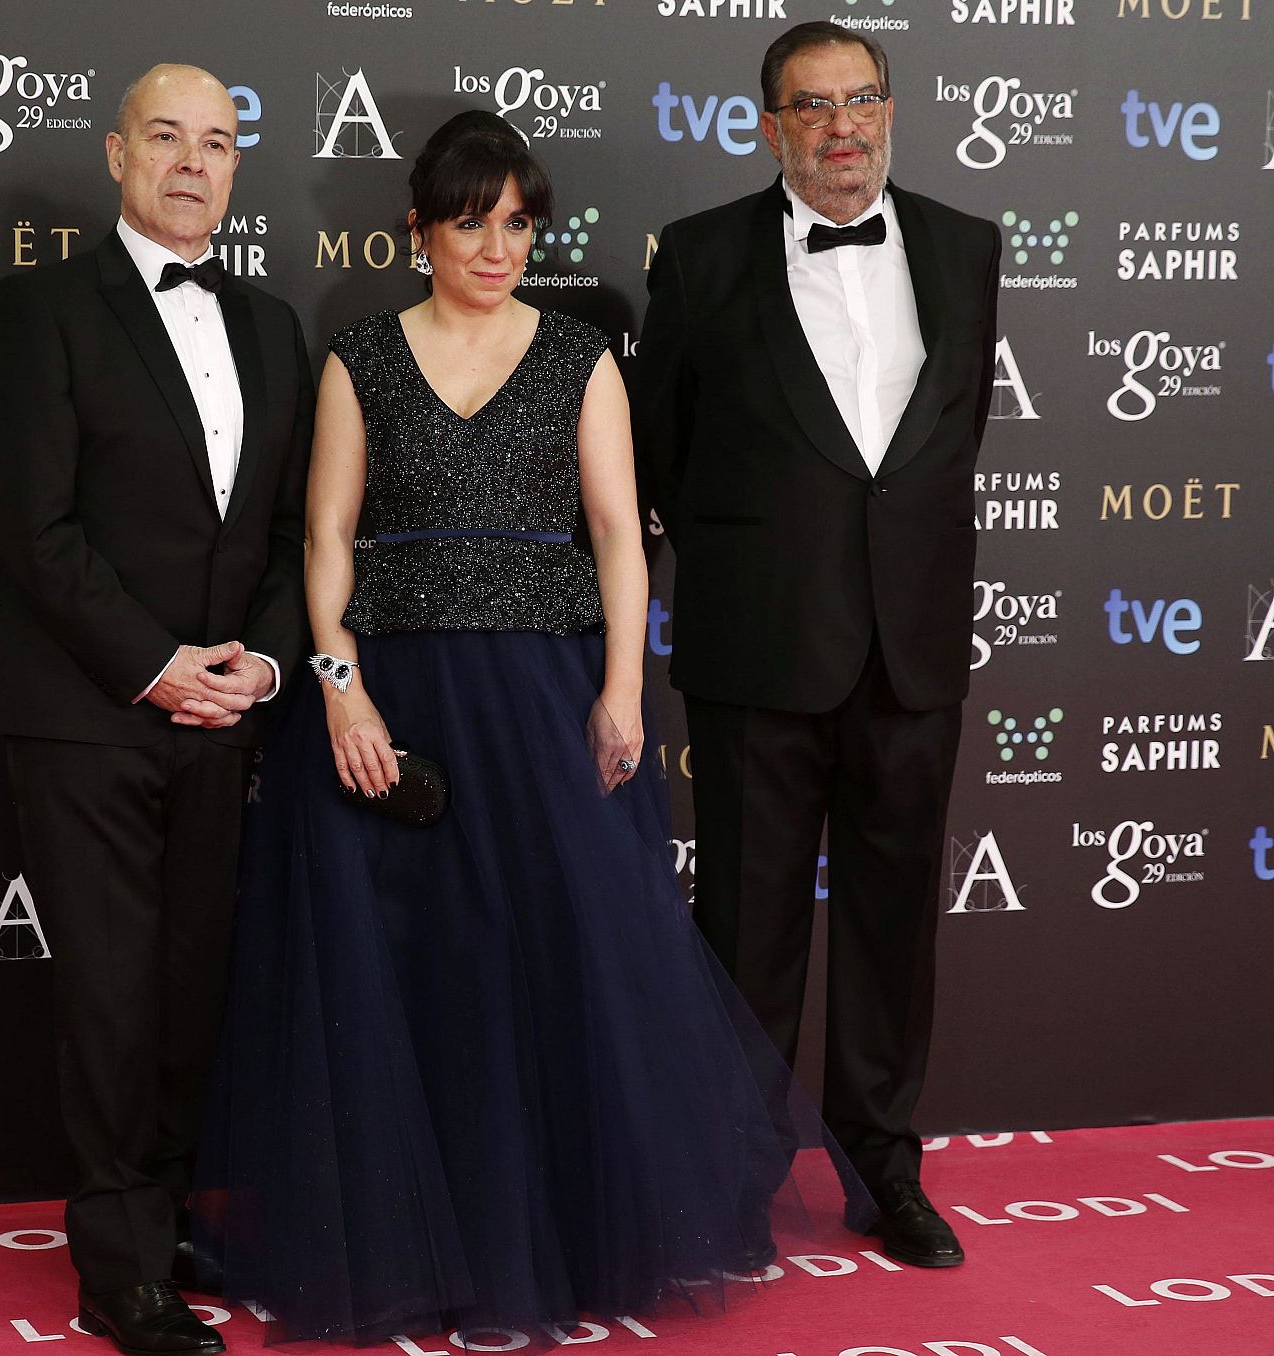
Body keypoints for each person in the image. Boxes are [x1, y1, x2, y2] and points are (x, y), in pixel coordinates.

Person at [192, 110, 867, 1345]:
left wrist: (621, 688)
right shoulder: (359, 356)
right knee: (404, 970)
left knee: (541, 963)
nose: (498, 245)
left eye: (517, 222)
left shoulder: (578, 357)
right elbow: (324, 539)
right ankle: (406, 1249)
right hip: (390, 704)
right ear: (419, 228)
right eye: (471, 221)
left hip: (543, 701)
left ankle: (538, 1246)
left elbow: (619, 534)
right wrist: (339, 685)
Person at [632, 22, 1000, 1269]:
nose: (843, 127)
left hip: (912, 649)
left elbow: (941, 452)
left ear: (890, 109)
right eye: (813, 106)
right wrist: (768, 560)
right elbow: (661, 453)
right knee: (748, 930)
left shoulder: (964, 245)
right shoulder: (696, 258)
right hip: (759, 651)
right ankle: (733, 1178)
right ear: (769, 124)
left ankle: (880, 1168)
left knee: (896, 927)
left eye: (862, 100)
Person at [0, 64, 313, 1355]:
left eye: (216, 142)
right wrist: (155, 662)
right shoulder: (43, 308)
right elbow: (34, 531)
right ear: (117, 155)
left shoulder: (274, 325)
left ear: (236, 167)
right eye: (165, 137)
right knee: (113, 997)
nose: (191, 162)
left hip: (227, 719)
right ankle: (118, 1267)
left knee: (190, 987)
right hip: (91, 714)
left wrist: (262, 669)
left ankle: (164, 1218)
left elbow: (291, 535)